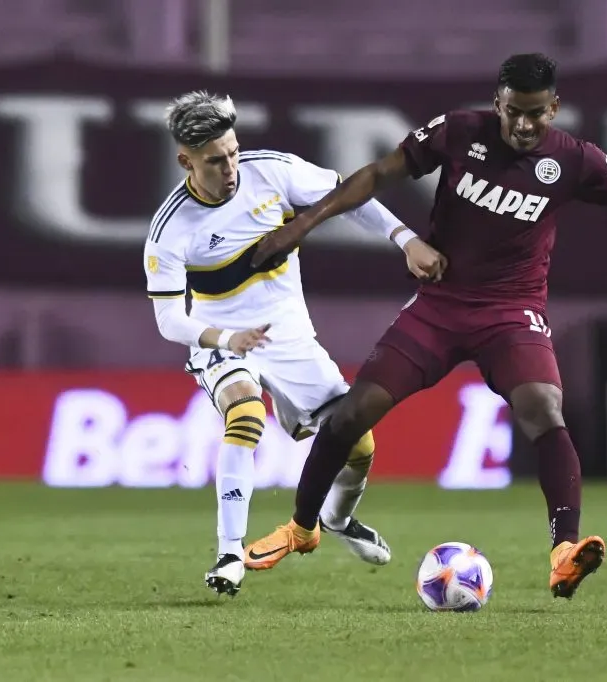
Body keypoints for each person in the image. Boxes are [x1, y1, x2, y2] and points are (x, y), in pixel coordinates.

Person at [243, 53, 607, 599]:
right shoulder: (459, 131)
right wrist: (303, 226)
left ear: (554, 107)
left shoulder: (575, 160)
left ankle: (563, 551)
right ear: (496, 101)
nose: (523, 126)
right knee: (354, 412)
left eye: (535, 114)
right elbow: (380, 173)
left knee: (544, 409)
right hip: (441, 305)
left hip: (512, 313)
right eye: (512, 113)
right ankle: (302, 528)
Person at [143, 90, 443, 596]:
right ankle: (229, 553)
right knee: (245, 415)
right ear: (186, 161)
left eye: (234, 152)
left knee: (359, 443)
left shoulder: (274, 172)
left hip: (289, 337)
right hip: (222, 338)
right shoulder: (171, 228)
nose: (231, 167)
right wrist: (226, 337)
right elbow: (170, 319)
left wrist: (405, 238)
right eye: (216, 161)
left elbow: (350, 196)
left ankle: (339, 520)